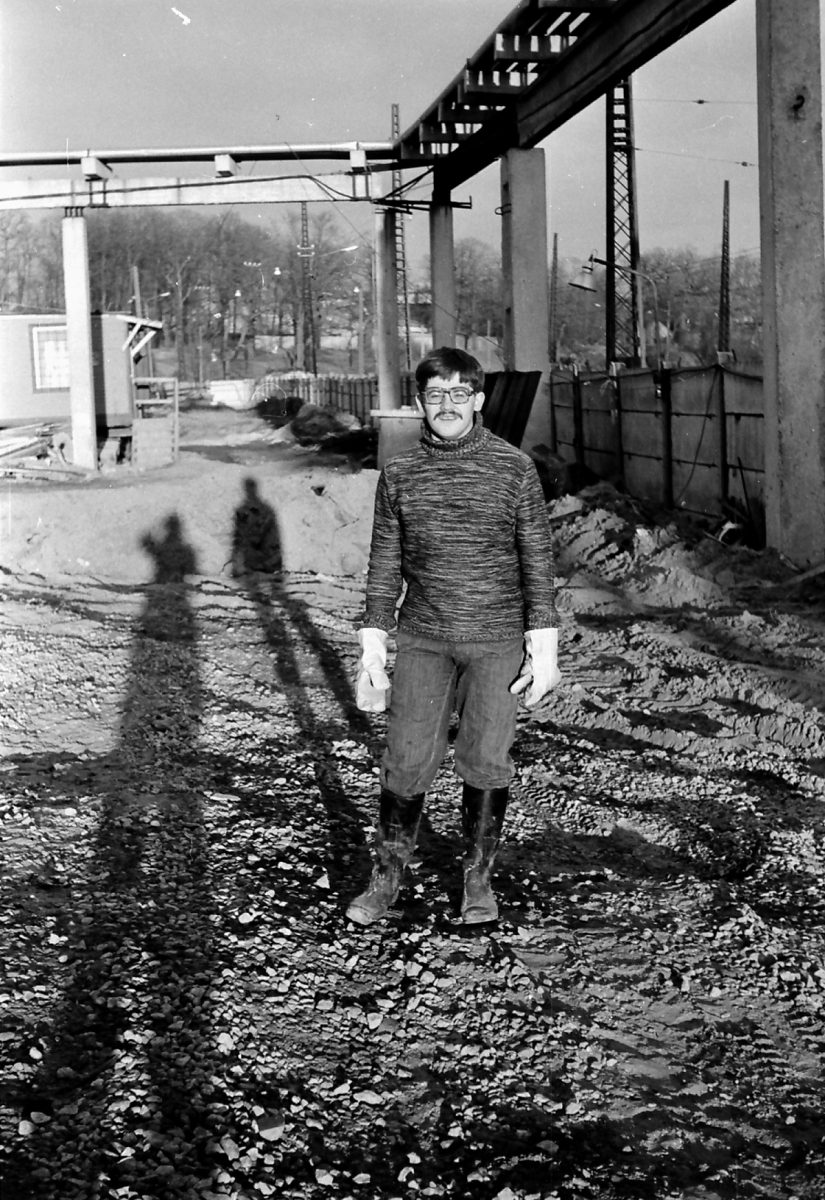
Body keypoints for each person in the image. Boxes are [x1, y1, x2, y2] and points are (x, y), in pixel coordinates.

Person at [347, 346, 561, 927]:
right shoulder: (399, 475)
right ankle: (386, 879)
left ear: (478, 400)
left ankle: (477, 881)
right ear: (420, 402)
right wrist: (373, 644)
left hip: (497, 641)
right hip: (424, 639)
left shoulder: (513, 470)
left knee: (486, 761)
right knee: (405, 759)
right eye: (435, 394)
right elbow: (384, 564)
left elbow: (537, 560)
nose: (447, 405)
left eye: (458, 393)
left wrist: (543, 645)